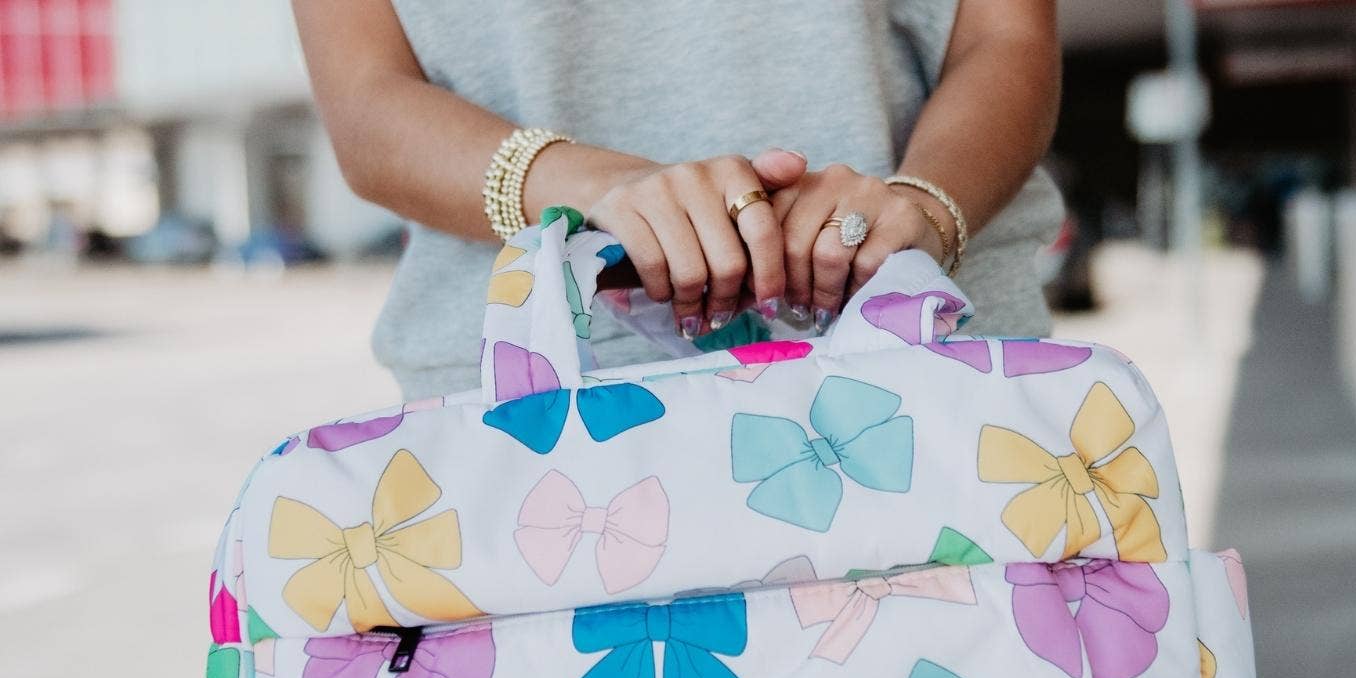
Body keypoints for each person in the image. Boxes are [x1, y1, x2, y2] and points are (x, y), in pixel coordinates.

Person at [293, 0, 1063, 401]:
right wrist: (592, 188)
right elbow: (364, 103)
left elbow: (1005, 36)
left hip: (937, 372)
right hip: (528, 430)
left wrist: (923, 204)